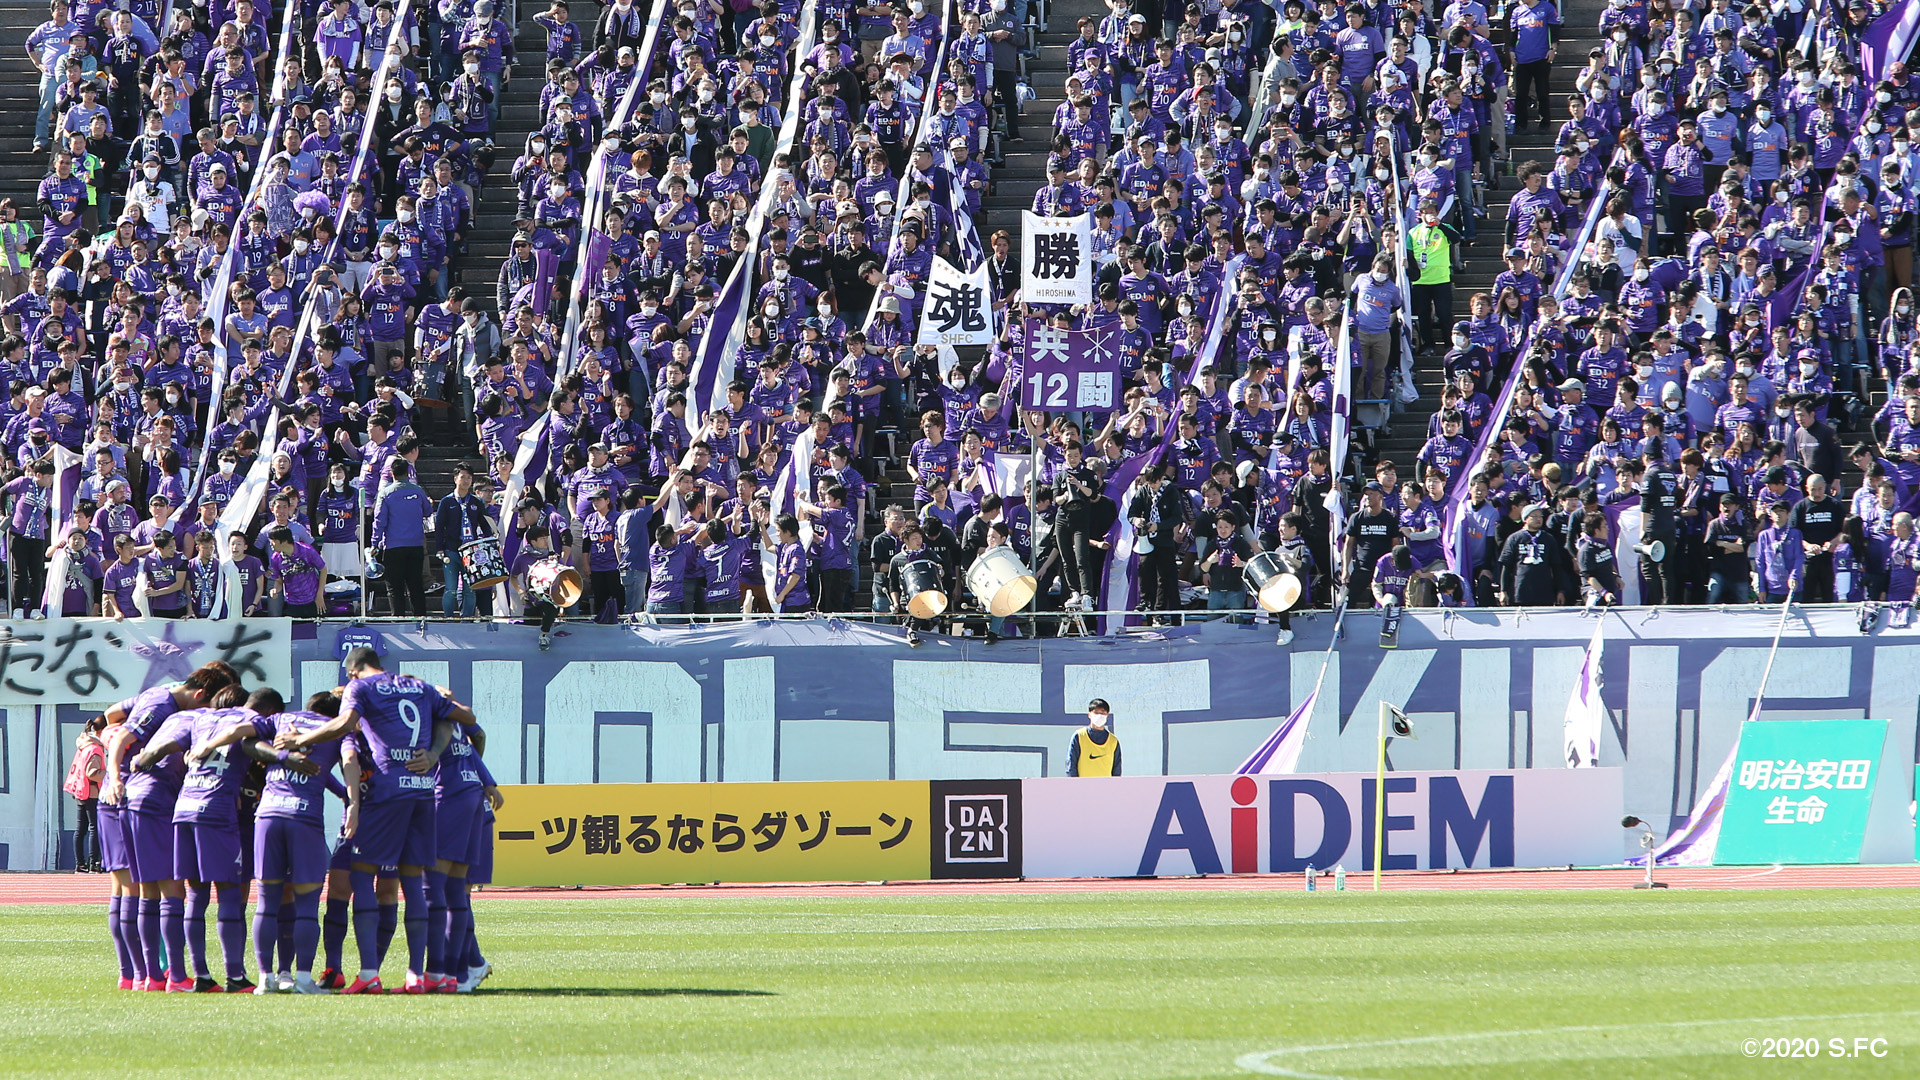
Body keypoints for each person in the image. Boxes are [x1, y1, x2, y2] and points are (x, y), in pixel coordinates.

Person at [272, 646, 480, 995]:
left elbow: (347, 728)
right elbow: (465, 720)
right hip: (422, 790)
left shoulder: (361, 690)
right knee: (413, 882)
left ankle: (369, 973)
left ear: (353, 672)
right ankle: (423, 974)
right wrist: (431, 755)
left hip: (382, 793)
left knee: (361, 874)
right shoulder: (420, 687)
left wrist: (299, 739)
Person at [372, 458, 431, 617]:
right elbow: (428, 511)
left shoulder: (385, 493)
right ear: (408, 472)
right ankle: (421, 622)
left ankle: (397, 621)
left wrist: (374, 543)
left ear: (392, 474)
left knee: (394, 588)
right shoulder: (418, 491)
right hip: (416, 545)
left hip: (393, 547)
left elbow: (379, 520)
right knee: (416, 586)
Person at [64, 715, 106, 873]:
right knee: (95, 827)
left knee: (80, 828)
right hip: (91, 791)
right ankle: (94, 862)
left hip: (80, 789)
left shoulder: (83, 744)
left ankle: (80, 863)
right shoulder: (95, 748)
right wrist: (110, 773)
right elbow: (92, 773)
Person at [1065, 699, 1120, 777]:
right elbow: (1071, 765)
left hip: (1105, 788)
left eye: (1103, 713)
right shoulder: (1079, 736)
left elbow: (1116, 771)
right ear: (1089, 715)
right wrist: (1075, 786)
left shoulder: (1113, 741)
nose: (1099, 716)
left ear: (1107, 715)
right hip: (1083, 787)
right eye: (1096, 713)